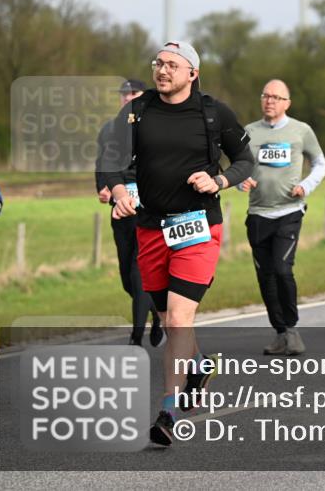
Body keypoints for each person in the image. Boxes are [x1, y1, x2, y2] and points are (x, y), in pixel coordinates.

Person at [102, 41, 254, 447]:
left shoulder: (213, 112)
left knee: (178, 319)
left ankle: (167, 408)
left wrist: (219, 180)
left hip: (198, 227)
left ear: (193, 73)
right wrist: (118, 192)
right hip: (150, 228)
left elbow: (245, 160)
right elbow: (111, 160)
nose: (162, 70)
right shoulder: (137, 110)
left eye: (172, 65)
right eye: (158, 63)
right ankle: (199, 364)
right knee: (167, 314)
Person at [241, 79, 325, 356]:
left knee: (281, 268)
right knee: (265, 276)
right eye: (266, 96)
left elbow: (320, 163)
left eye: (277, 97)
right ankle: (279, 333)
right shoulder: (249, 132)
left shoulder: (301, 131)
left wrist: (306, 185)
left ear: (287, 103)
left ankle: (292, 330)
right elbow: (237, 166)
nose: (270, 101)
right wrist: (240, 181)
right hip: (257, 214)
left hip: (288, 212)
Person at [95, 79, 163, 347]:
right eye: (123, 94)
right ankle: (157, 314)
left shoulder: (154, 125)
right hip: (119, 203)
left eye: (132, 93)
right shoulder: (110, 129)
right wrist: (102, 187)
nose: (126, 97)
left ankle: (136, 337)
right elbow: (102, 161)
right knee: (127, 274)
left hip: (146, 204)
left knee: (138, 268)